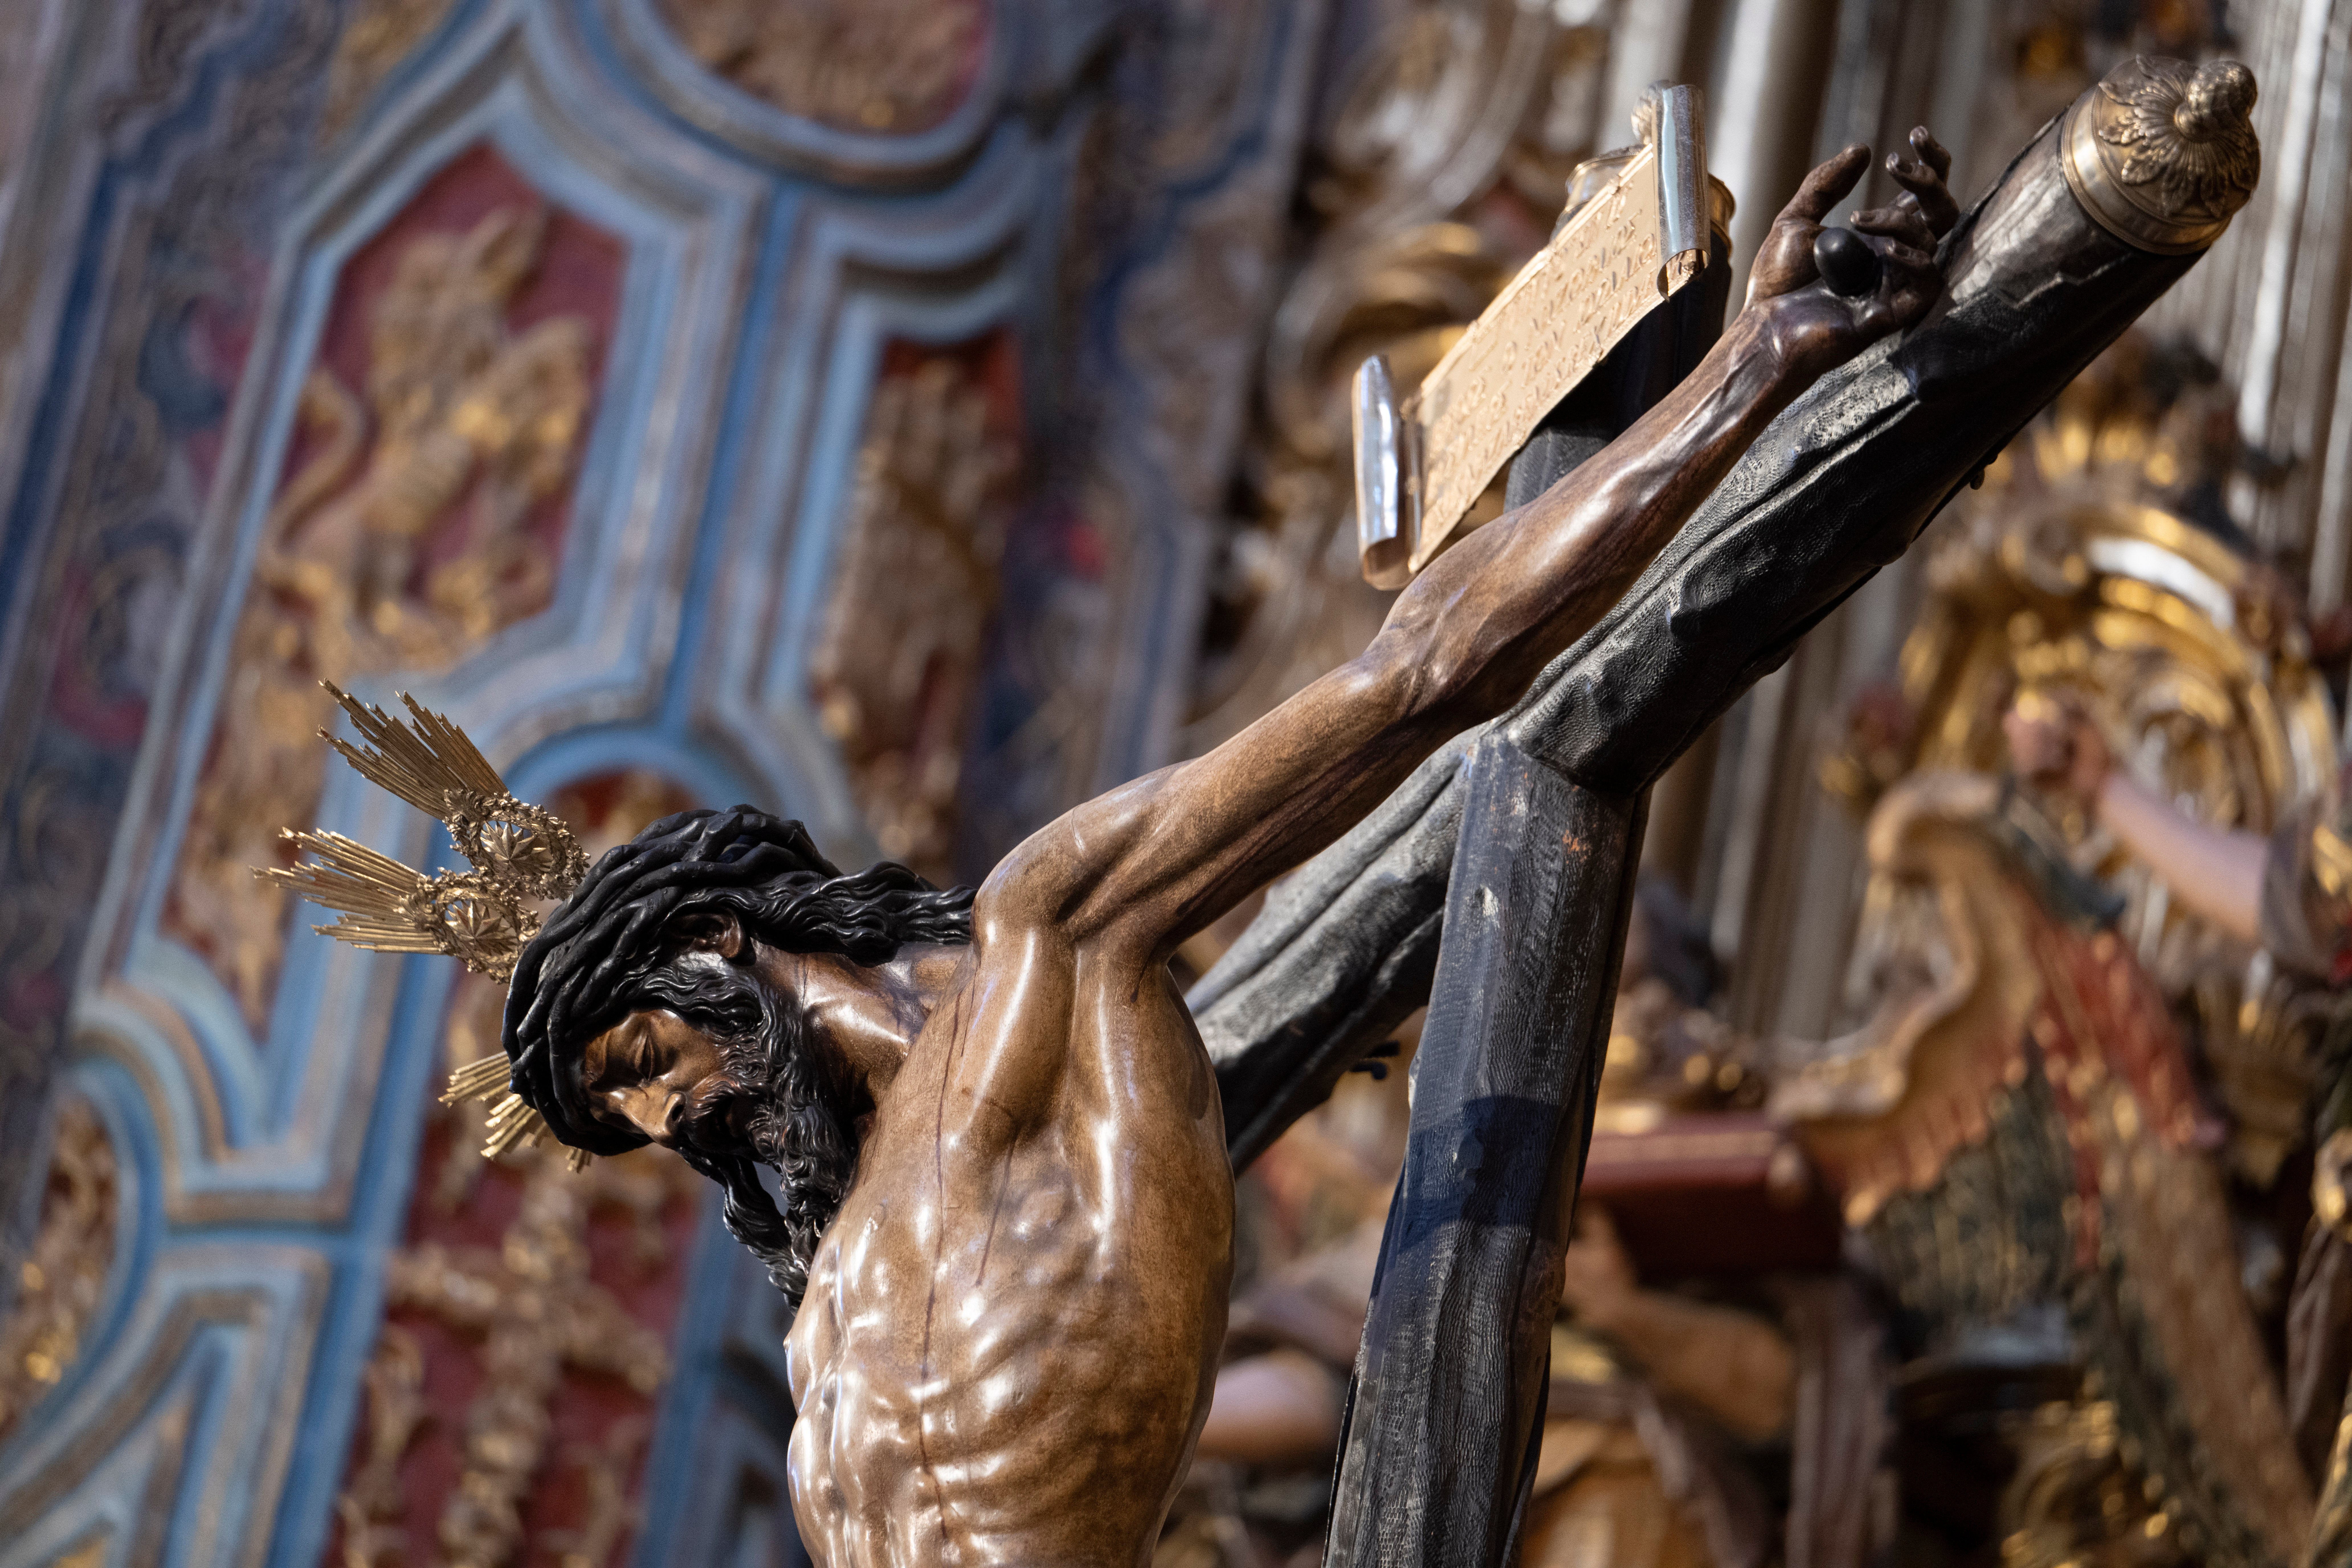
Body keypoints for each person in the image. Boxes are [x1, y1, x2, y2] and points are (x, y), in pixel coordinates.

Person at [499, 136, 1956, 1566]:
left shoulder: (1052, 948)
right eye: (618, 1119)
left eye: (634, 1058)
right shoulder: (824, 1304)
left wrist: (1757, 364)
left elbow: (1422, 672)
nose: (659, 1120)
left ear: (709, 944)